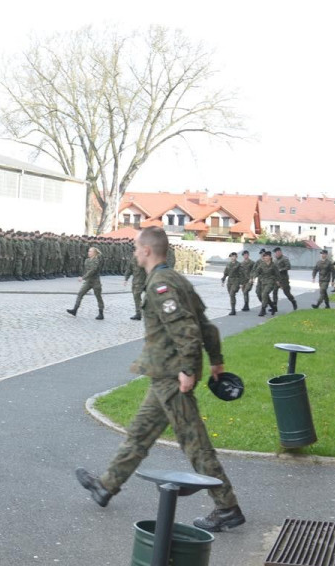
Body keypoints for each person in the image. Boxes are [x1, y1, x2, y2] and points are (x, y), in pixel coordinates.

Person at [75, 226, 244, 532]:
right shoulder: (175, 279)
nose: (134, 253)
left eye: (136, 248)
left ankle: (226, 506)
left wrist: (189, 371)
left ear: (148, 250)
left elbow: (189, 331)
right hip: (163, 377)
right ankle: (105, 487)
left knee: (195, 443)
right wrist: (216, 361)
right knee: (139, 434)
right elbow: (207, 327)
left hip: (172, 378)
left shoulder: (160, 285)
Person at [67, 245, 104, 319]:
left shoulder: (97, 260)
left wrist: (83, 277)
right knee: (80, 293)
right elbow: (86, 270)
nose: (88, 252)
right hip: (88, 281)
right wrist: (82, 276)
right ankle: (75, 310)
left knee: (98, 297)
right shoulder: (87, 260)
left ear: (94, 253)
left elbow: (93, 270)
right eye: (88, 251)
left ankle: (101, 313)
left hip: (95, 281)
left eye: (90, 251)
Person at [123, 252, 147, 320]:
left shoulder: (146, 259)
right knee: (137, 297)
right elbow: (129, 269)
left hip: (146, 281)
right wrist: (126, 279)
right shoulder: (133, 259)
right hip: (137, 282)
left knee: (151, 297)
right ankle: (138, 313)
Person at [255, 250, 279, 317]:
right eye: (264, 257)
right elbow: (256, 271)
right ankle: (273, 306)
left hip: (271, 282)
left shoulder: (274, 265)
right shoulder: (261, 264)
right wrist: (252, 277)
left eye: (266, 256)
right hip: (263, 282)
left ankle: (263, 309)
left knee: (264, 294)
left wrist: (278, 282)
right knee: (261, 295)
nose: (265, 258)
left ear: (270, 257)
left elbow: (277, 275)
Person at [222, 251, 244, 316]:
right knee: (231, 295)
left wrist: (241, 283)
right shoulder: (228, 264)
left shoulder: (239, 264)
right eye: (231, 256)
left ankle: (233, 310)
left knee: (232, 294)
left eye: (234, 256)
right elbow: (225, 273)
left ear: (236, 257)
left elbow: (242, 274)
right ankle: (233, 309)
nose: (233, 258)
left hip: (236, 281)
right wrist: (223, 280)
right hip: (229, 281)